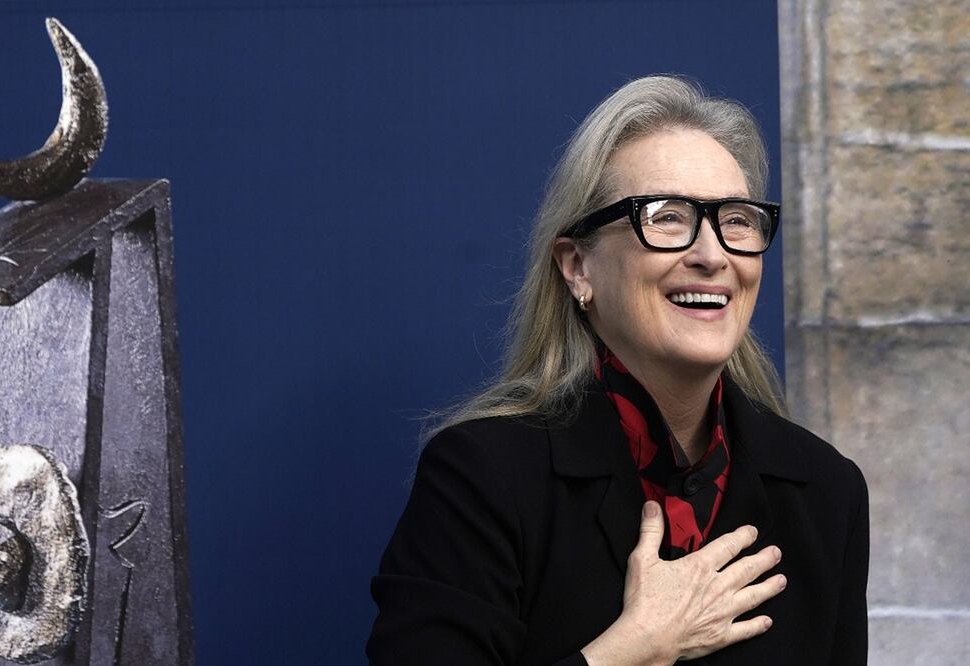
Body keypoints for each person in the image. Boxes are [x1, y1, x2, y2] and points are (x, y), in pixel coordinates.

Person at [367, 75, 869, 665]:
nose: (712, 255)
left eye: (735, 220)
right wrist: (634, 648)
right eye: (665, 216)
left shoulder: (826, 491)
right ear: (578, 266)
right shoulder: (483, 476)